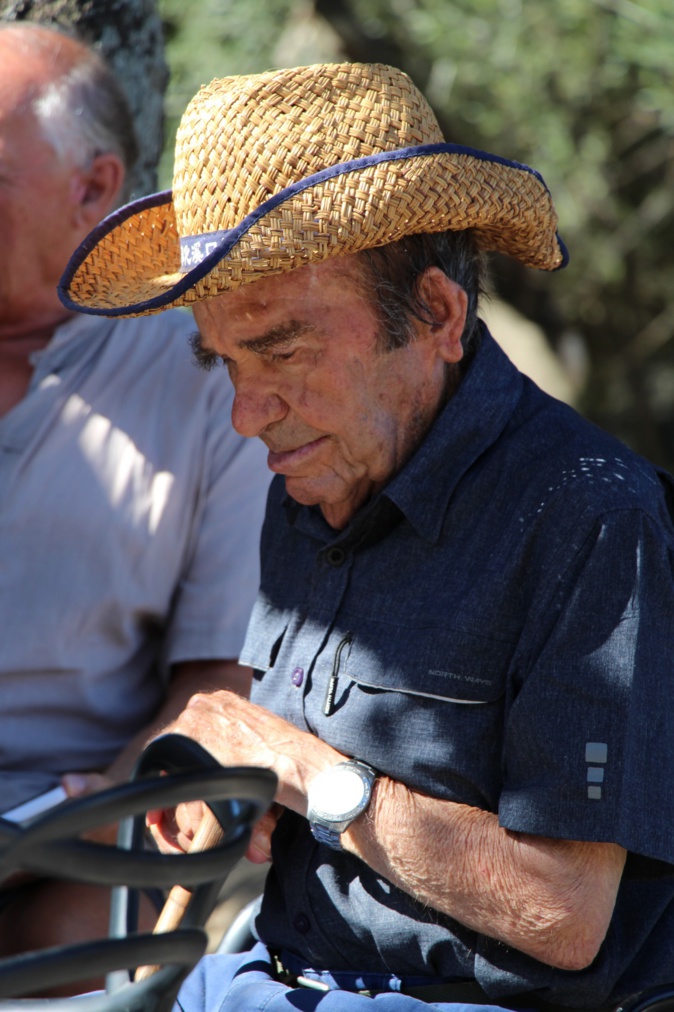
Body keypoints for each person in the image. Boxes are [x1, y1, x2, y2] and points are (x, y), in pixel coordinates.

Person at [60, 62, 674, 1012]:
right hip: (267, 978)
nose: (245, 414)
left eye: (283, 350)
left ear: (436, 313)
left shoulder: (590, 515)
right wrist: (217, 780)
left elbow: (565, 911)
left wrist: (304, 772)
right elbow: (288, 769)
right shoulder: (318, 469)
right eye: (224, 362)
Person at [0, 21, 270, 968]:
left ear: (96, 188)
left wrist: (118, 796)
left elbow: (218, 679)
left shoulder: (198, 375)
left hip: (69, 827)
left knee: (93, 947)